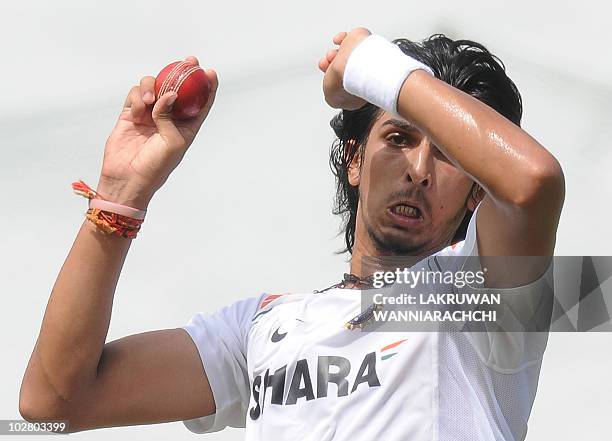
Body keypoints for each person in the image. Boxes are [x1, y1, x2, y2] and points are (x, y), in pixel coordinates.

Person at [19, 27, 564, 440]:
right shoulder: (262, 326)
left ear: (476, 195)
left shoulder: (483, 296)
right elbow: (54, 403)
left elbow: (532, 183)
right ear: (354, 161)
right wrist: (120, 196)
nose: (419, 170)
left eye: (446, 157)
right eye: (398, 138)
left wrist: (372, 66)